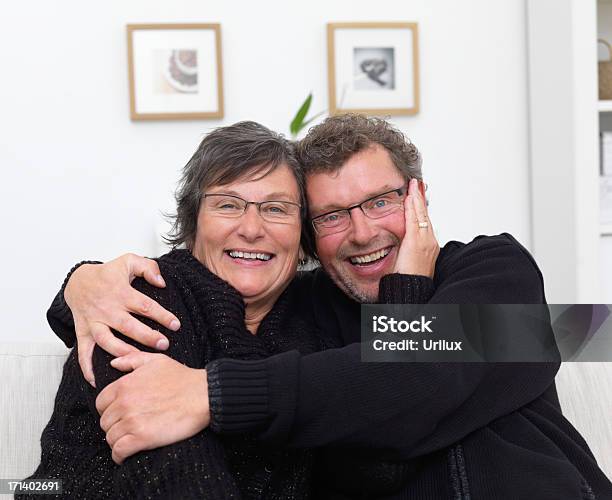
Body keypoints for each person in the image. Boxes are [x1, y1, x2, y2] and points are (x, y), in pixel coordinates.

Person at [46, 115, 612, 499]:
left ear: (419, 197)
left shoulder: (495, 271)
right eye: (333, 215)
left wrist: (208, 394)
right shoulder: (305, 316)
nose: (363, 232)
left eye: (380, 201)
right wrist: (84, 284)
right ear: (312, 237)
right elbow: (379, 460)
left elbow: (420, 383)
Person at [22, 121, 332, 499]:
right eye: (228, 205)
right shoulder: (144, 297)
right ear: (192, 226)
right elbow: (174, 470)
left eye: (276, 208)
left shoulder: (316, 313)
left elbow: (383, 459)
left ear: (303, 237)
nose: (252, 228)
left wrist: (411, 277)